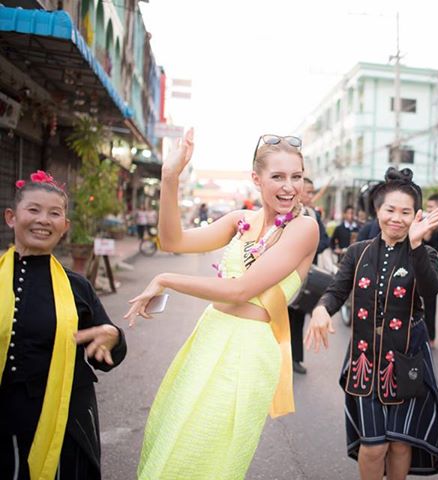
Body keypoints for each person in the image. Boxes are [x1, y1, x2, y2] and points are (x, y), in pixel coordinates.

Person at [126, 131, 319, 479]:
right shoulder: (240, 221)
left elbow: (240, 290)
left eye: (296, 176)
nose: (290, 186)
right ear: (256, 179)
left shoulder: (304, 228)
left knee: (210, 453)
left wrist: (167, 279)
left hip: (248, 350)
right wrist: (169, 177)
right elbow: (172, 241)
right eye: (278, 176)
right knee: (174, 435)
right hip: (209, 335)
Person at [306, 167, 438, 480]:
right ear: (377, 211)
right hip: (364, 360)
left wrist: (416, 245)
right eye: (390, 210)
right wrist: (321, 309)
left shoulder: (425, 253)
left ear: (416, 216)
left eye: (406, 212)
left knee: (399, 443)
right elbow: (336, 291)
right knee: (373, 446)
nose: (397, 218)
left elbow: (430, 291)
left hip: (407, 359)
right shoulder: (357, 252)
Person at [1, 171, 127, 479]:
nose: (43, 220)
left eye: (54, 213)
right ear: (11, 217)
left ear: (65, 226)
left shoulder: (76, 287)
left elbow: (105, 357)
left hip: (64, 420)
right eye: (33, 210)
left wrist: (113, 337)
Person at [287, 177, 329, 375]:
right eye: (308, 191)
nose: (311, 196)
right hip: (284, 274)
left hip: (306, 277)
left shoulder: (313, 214)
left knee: (298, 318)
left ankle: (295, 359)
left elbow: (325, 240)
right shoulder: (286, 213)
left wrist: (310, 250)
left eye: (312, 192)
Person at [422, 193, 438, 347]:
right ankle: (429, 337)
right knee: (429, 303)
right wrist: (430, 224)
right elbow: (426, 238)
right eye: (428, 207)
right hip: (427, 265)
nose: (428, 209)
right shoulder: (424, 222)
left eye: (432, 207)